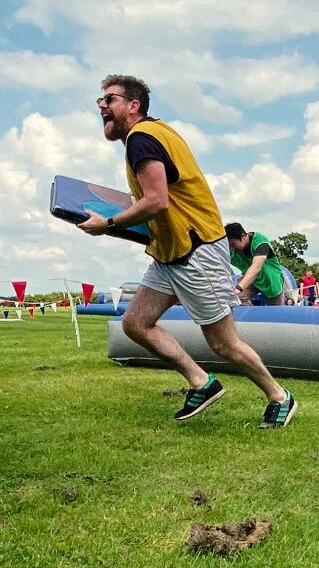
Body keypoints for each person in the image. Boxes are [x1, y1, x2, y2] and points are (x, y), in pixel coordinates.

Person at [78, 75, 296, 428]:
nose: (102, 106)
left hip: (196, 253)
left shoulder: (141, 138)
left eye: (110, 100)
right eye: (100, 101)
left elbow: (156, 201)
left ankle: (279, 396)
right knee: (135, 323)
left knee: (223, 344)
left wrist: (110, 224)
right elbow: (161, 200)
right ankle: (201, 382)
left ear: (133, 106)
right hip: (171, 253)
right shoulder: (155, 133)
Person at [224, 223, 286, 306]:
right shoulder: (231, 251)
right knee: (233, 298)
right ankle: (248, 314)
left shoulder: (260, 242)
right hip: (252, 282)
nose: (231, 248)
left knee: (276, 314)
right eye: (228, 246)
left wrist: (239, 288)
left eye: (233, 244)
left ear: (243, 236)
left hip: (271, 282)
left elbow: (256, 267)